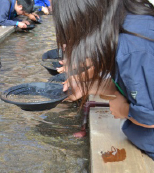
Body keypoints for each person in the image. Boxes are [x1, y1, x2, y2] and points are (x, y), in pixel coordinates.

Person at [52, 0, 154, 159]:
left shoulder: (133, 47)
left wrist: (124, 110)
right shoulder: (126, 22)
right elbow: (124, 83)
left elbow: (149, 117)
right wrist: (85, 86)